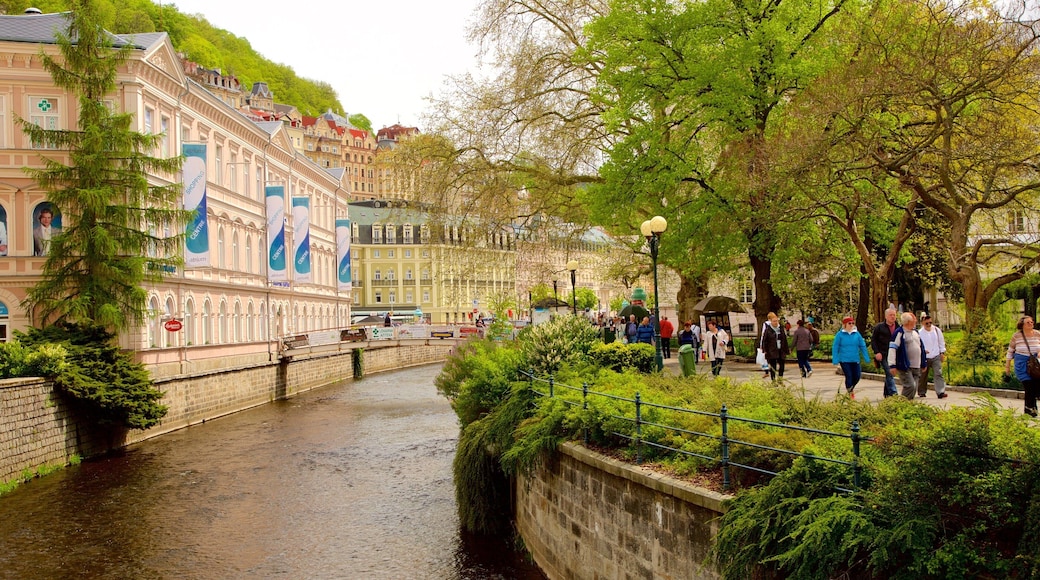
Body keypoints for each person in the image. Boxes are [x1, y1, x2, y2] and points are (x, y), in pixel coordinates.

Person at [1005, 316, 1040, 417]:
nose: (1031, 324)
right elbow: (1010, 351)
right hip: (1022, 365)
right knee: (1028, 386)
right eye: (1028, 322)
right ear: (1022, 325)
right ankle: (1030, 409)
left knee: (1035, 386)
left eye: (1032, 322)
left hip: (1035, 365)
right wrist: (1007, 367)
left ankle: (1031, 408)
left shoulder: (1038, 334)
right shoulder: (1016, 336)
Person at [888, 312, 926, 401]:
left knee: (914, 387)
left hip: (916, 365)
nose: (916, 321)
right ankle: (902, 403)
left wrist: (924, 362)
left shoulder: (916, 332)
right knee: (910, 386)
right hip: (905, 365)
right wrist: (892, 365)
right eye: (914, 320)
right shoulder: (899, 333)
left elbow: (921, 347)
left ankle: (909, 404)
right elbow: (892, 349)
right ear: (908, 322)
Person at [832, 316, 871, 399]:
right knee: (849, 376)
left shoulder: (857, 334)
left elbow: (862, 345)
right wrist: (835, 359)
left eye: (853, 323)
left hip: (855, 359)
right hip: (844, 360)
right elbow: (835, 347)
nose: (851, 325)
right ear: (844, 324)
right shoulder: (840, 335)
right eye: (849, 323)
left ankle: (851, 388)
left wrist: (866, 357)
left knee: (857, 376)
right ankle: (850, 392)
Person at [918, 314, 947, 399]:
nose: (929, 325)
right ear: (922, 323)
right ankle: (921, 391)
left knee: (938, 373)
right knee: (923, 375)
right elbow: (917, 344)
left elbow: (941, 342)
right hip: (925, 357)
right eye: (927, 323)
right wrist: (922, 351)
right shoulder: (919, 333)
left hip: (936, 355)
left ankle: (940, 392)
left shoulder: (936, 330)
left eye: (930, 322)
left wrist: (942, 352)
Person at [871, 308, 899, 397]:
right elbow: (873, 340)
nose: (892, 317)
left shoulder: (898, 327)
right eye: (891, 315)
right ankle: (894, 393)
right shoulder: (879, 327)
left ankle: (887, 393)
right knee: (889, 372)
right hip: (884, 354)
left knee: (889, 374)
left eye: (894, 315)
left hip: (894, 354)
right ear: (886, 316)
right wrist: (877, 352)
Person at [759, 312, 789, 381]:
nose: (775, 323)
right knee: (773, 366)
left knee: (782, 365)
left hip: (781, 350)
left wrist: (786, 350)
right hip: (772, 350)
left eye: (776, 321)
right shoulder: (768, 330)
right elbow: (764, 340)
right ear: (771, 322)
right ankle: (773, 380)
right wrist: (764, 349)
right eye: (774, 321)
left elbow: (784, 339)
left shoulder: (781, 329)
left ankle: (780, 379)